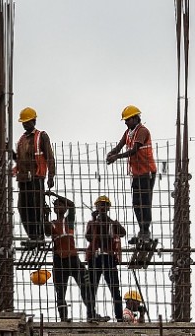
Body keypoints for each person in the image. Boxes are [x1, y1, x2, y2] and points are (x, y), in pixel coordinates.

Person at [43, 192, 98, 322]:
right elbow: (46, 232)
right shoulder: (52, 224)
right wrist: (45, 215)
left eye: (60, 205)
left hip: (73, 258)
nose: (58, 207)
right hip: (59, 260)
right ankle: (63, 317)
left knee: (86, 285)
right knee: (60, 291)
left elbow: (72, 205)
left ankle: (92, 314)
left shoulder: (69, 221)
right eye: (56, 206)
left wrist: (53, 194)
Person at [106, 105, 157, 244]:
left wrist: (116, 157)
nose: (126, 122)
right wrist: (112, 152)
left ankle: (145, 233)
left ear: (135, 118)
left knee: (145, 203)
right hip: (137, 173)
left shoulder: (142, 131)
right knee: (136, 203)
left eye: (128, 120)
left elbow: (134, 150)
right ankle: (142, 231)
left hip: (147, 172)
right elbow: (120, 145)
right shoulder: (128, 132)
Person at [13, 107, 56, 246]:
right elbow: (19, 160)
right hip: (24, 179)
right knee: (23, 208)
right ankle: (33, 237)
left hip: (37, 178)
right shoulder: (22, 140)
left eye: (27, 122)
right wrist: (10, 152)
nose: (25, 124)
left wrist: (51, 176)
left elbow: (49, 156)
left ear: (34, 121)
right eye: (23, 122)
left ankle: (39, 236)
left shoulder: (41, 136)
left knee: (36, 207)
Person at [85, 195, 127, 321]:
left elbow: (122, 233)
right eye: (100, 205)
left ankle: (119, 317)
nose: (102, 207)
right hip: (95, 258)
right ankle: (91, 315)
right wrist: (95, 220)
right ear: (97, 207)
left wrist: (113, 223)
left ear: (108, 208)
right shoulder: (93, 223)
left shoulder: (112, 223)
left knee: (115, 289)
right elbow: (89, 237)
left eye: (105, 205)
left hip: (109, 258)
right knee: (91, 288)